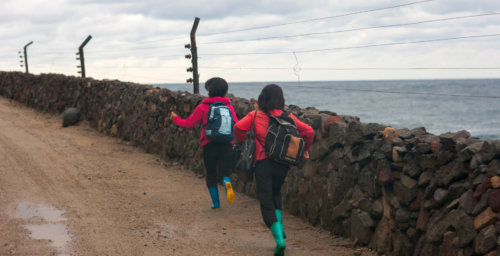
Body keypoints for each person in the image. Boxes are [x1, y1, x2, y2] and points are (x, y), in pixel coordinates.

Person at [234, 84, 314, 256]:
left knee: (266, 200)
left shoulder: (255, 115)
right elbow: (309, 131)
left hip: (263, 163)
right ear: (281, 99)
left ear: (263, 97)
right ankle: (280, 229)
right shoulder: (289, 117)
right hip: (284, 164)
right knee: (276, 194)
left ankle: (279, 240)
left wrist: (243, 141)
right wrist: (304, 149)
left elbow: (239, 128)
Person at [170, 77, 238, 210]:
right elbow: (236, 125)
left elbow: (187, 124)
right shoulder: (229, 107)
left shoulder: (202, 107)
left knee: (211, 174)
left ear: (209, 90)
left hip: (209, 144)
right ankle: (226, 182)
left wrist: (175, 118)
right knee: (224, 173)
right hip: (226, 144)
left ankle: (216, 204)